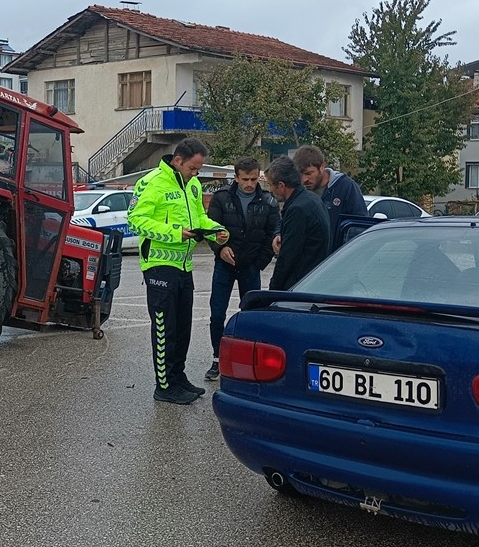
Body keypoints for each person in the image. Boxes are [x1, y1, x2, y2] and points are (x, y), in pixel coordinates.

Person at [127, 137, 229, 405]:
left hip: (184, 265)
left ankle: (178, 377)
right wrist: (175, 233)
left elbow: (198, 219)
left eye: (198, 169)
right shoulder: (151, 183)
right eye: (193, 168)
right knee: (165, 329)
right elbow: (135, 220)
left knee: (183, 327)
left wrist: (214, 230)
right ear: (178, 160)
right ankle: (164, 385)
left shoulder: (192, 185)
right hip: (159, 266)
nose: (196, 173)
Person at [204, 156, 280, 381]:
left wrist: (259, 263)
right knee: (217, 314)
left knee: (250, 315)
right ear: (236, 177)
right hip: (224, 265)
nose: (249, 183)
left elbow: (273, 232)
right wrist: (220, 249)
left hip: (250, 267)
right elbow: (211, 229)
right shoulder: (221, 198)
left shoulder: (268, 200)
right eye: (245, 179)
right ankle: (217, 359)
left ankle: (246, 360)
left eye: (254, 179)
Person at [266, 156, 329, 291]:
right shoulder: (312, 199)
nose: (270, 190)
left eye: (271, 185)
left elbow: (287, 258)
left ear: (281, 185)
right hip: (314, 279)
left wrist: (272, 292)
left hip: (301, 285)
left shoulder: (297, 209)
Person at [292, 145, 367, 250]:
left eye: (309, 173)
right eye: (301, 175)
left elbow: (360, 226)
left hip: (338, 259)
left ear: (322, 167)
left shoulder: (345, 187)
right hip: (308, 261)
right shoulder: (298, 190)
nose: (304, 179)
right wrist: (278, 234)